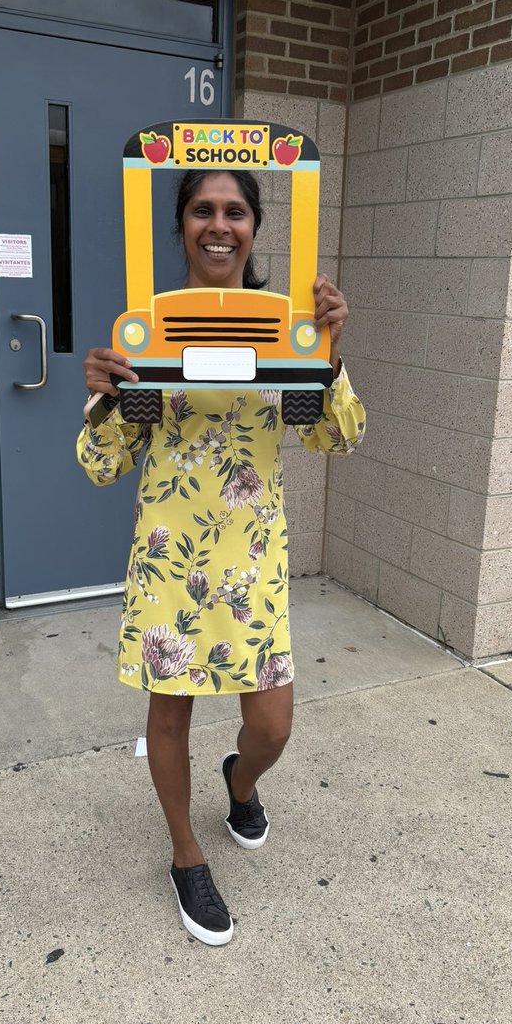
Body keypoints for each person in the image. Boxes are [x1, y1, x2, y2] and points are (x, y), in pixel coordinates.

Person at [77, 168, 365, 946]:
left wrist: (331, 357)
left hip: (252, 566)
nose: (218, 224)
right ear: (180, 227)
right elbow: (102, 462)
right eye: (201, 209)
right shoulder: (149, 331)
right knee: (169, 716)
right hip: (171, 562)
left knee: (271, 727)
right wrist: (105, 392)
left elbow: (335, 437)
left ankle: (240, 783)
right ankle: (185, 855)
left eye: (234, 211)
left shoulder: (292, 329)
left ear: (254, 227)